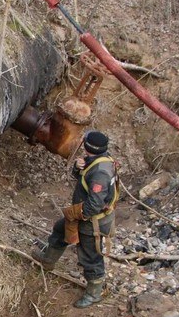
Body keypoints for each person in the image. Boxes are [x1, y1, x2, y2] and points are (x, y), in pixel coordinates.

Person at [32, 130, 119, 308]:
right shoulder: (98, 161)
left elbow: (94, 204)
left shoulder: (101, 172)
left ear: (88, 147)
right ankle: (47, 261)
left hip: (91, 221)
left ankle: (94, 294)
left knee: (90, 257)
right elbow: (82, 180)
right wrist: (77, 168)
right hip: (83, 216)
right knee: (59, 230)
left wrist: (76, 216)